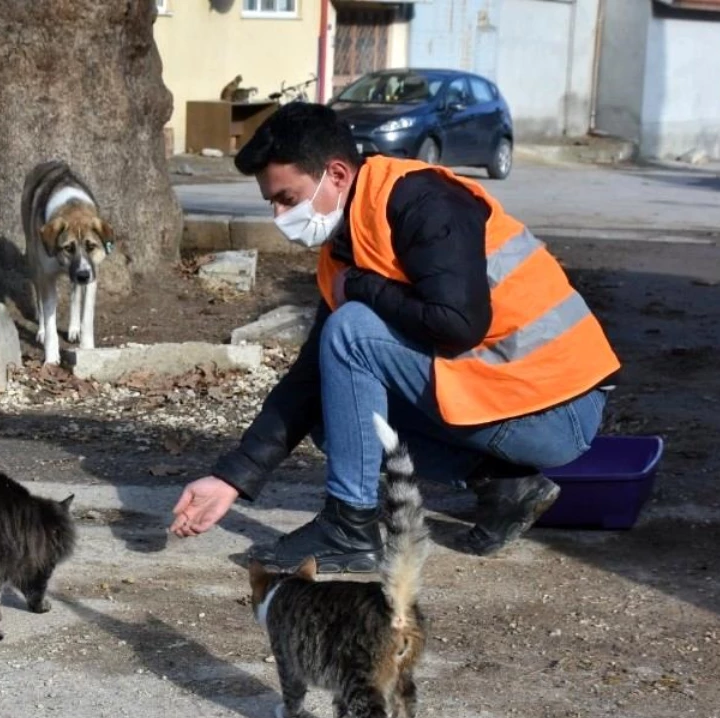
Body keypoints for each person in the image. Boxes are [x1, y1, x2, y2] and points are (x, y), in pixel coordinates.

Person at [169, 102, 620, 573]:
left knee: (351, 331)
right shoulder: (350, 240)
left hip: (558, 410)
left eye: (287, 198)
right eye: (273, 202)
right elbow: (306, 381)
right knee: (329, 408)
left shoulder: (424, 202)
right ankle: (505, 485)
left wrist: (365, 288)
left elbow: (458, 324)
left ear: (337, 175)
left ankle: (349, 527)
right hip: (507, 395)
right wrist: (232, 478)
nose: (280, 215)